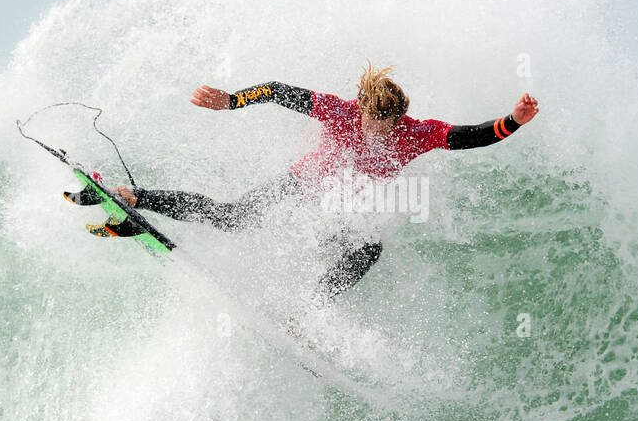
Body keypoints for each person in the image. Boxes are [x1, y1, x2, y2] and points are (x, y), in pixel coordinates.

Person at [114, 63, 539, 297]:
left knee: (367, 249)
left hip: (339, 208)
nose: (381, 131)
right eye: (375, 120)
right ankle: (136, 197)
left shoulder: (415, 132)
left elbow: (470, 137)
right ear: (362, 108)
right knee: (233, 217)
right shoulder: (340, 110)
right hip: (301, 183)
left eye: (389, 123)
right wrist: (231, 102)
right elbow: (278, 91)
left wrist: (511, 122)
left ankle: (310, 312)